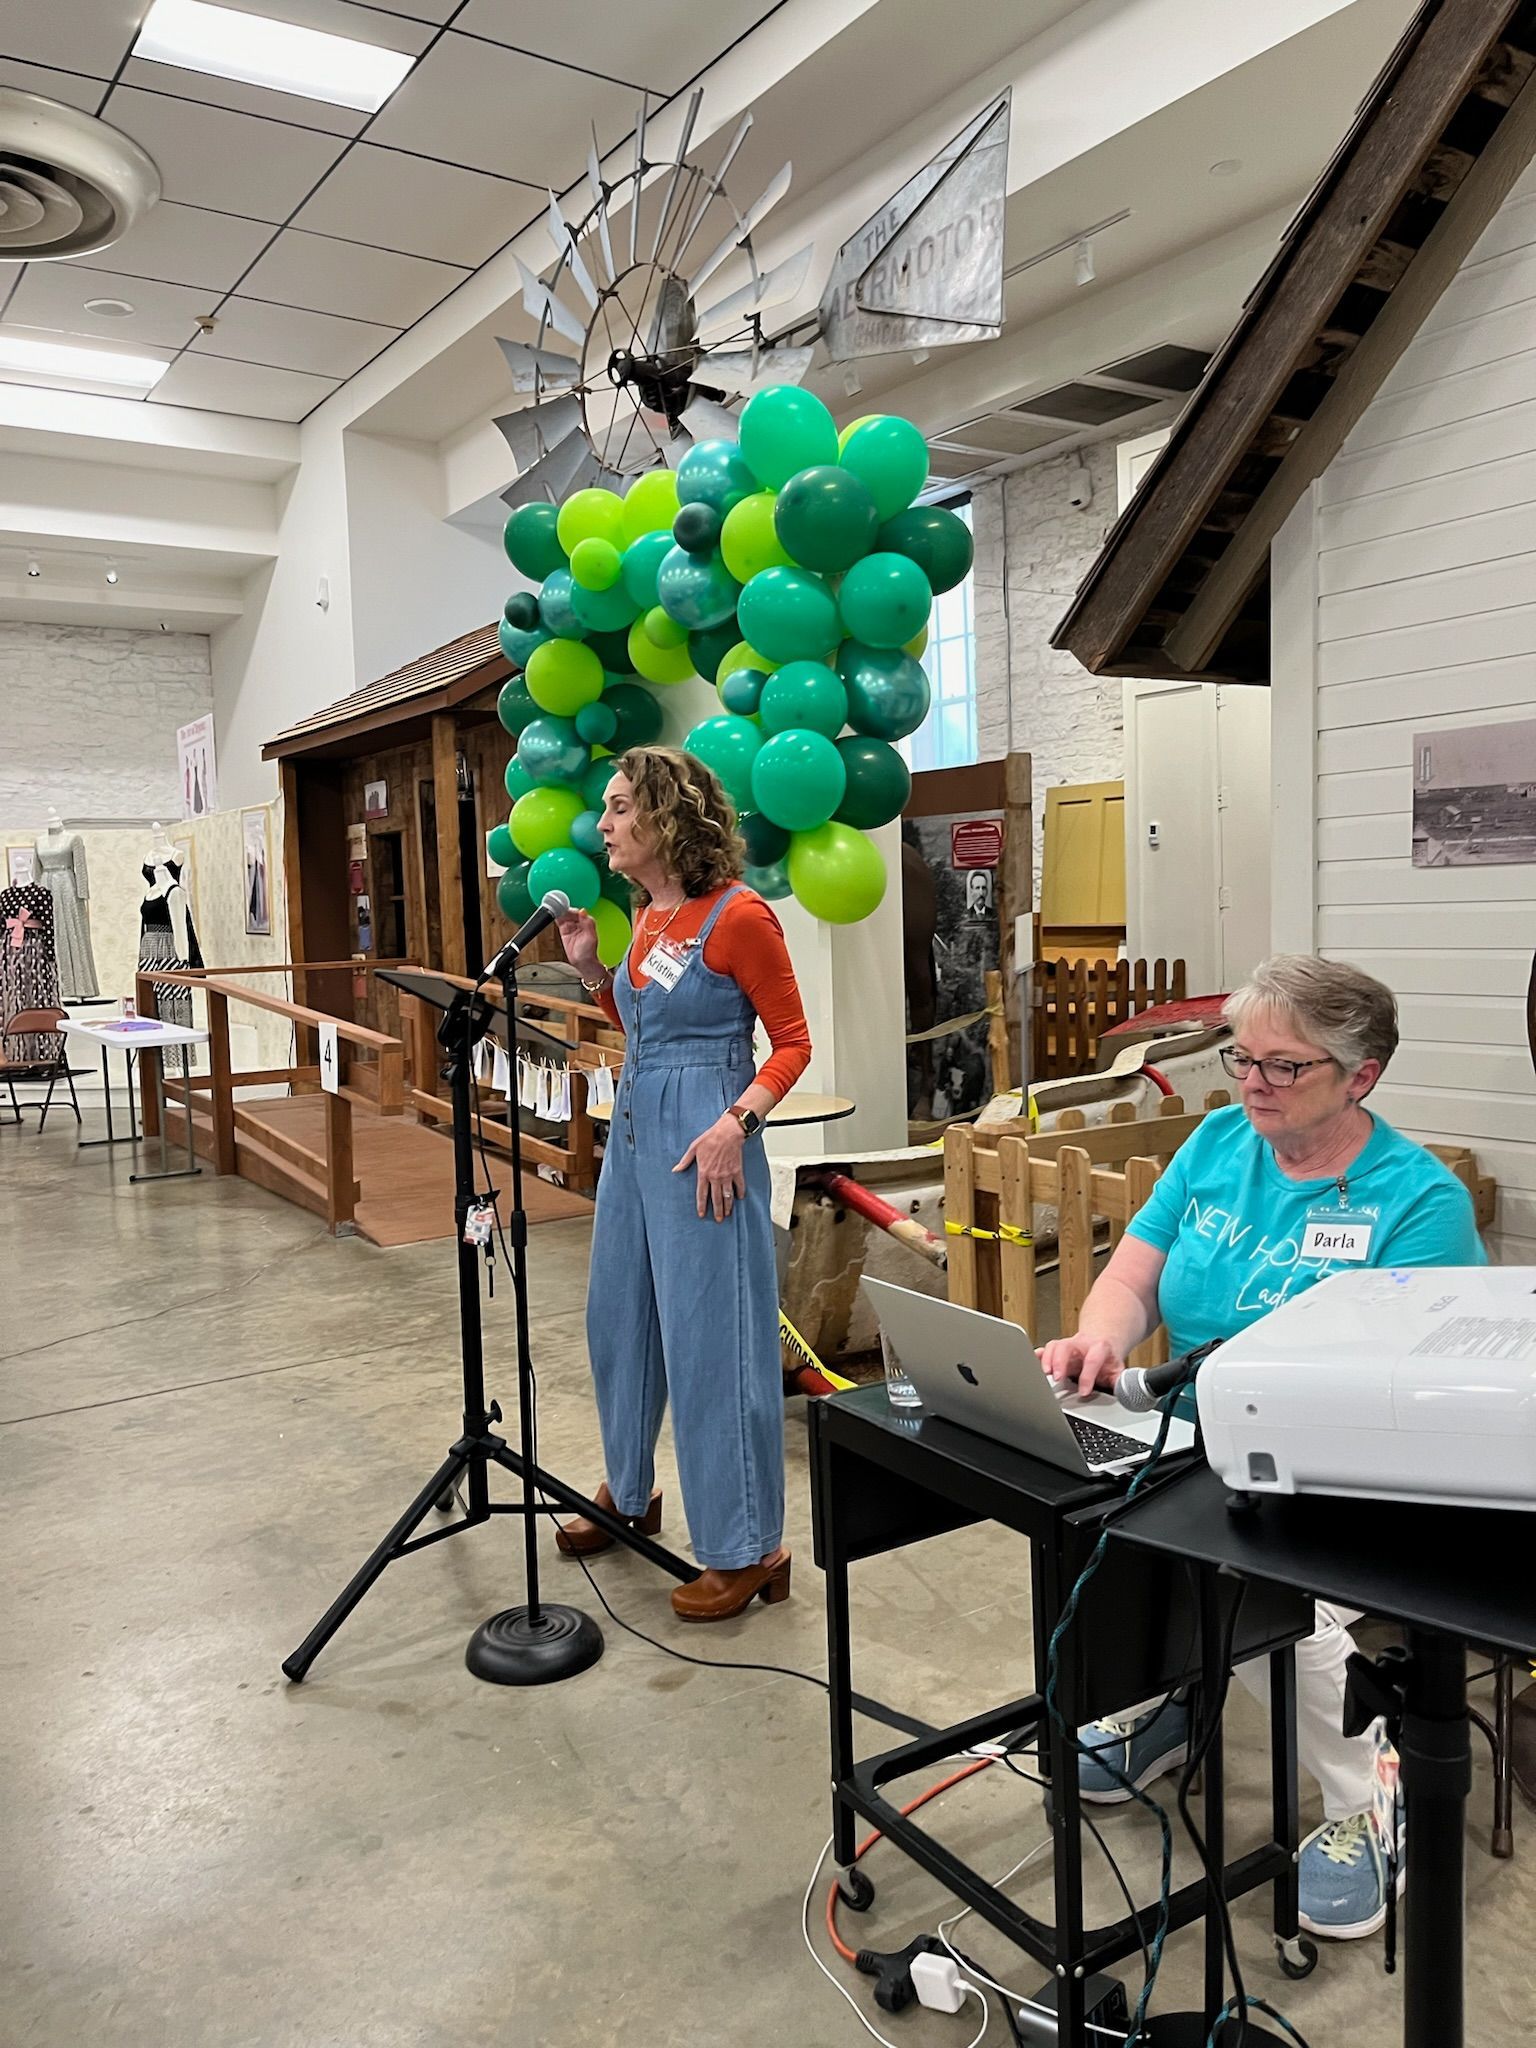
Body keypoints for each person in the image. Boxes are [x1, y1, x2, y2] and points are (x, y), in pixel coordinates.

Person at [1039, 954, 1485, 1942]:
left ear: (1361, 1076)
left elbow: (1410, 1396)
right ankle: (1176, 1695)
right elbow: (1133, 1276)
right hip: (1202, 1437)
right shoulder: (1216, 1143)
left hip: (1349, 1470)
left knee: (1246, 1582)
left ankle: (1374, 1792)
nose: (1253, 1082)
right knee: (1092, 1521)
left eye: (1285, 1066)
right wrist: (1100, 1339)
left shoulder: (1419, 1204)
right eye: (1242, 1057)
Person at [552, 746, 811, 1622]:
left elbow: (792, 1043)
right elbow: (645, 1029)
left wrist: (737, 1125)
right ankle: (629, 1492)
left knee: (713, 1343)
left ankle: (747, 1547)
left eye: (621, 806)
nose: (604, 824)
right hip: (635, 1136)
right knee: (618, 1319)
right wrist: (594, 971)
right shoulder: (648, 916)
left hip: (708, 1144)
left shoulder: (740, 917)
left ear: (668, 817)